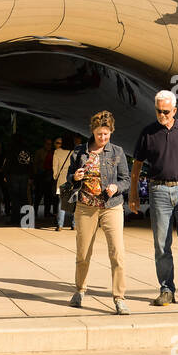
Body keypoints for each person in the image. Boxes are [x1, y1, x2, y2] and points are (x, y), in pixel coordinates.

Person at [129, 90, 178, 307]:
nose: (161, 115)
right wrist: (133, 193)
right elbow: (136, 166)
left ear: (174, 110)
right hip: (158, 191)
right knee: (161, 243)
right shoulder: (148, 133)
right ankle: (167, 289)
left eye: (166, 111)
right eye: (158, 111)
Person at [65, 112, 130, 314]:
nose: (103, 138)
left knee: (117, 253)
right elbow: (69, 178)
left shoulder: (117, 152)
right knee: (83, 253)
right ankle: (80, 290)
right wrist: (75, 176)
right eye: (100, 134)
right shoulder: (79, 152)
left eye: (107, 134)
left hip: (111, 206)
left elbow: (126, 180)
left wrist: (116, 187)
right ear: (92, 132)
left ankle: (119, 297)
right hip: (85, 207)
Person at [52, 135, 74, 231]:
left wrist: (55, 176)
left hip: (61, 178)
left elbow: (55, 166)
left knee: (61, 202)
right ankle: (74, 224)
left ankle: (60, 225)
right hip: (73, 178)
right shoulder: (74, 152)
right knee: (73, 201)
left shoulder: (57, 152)